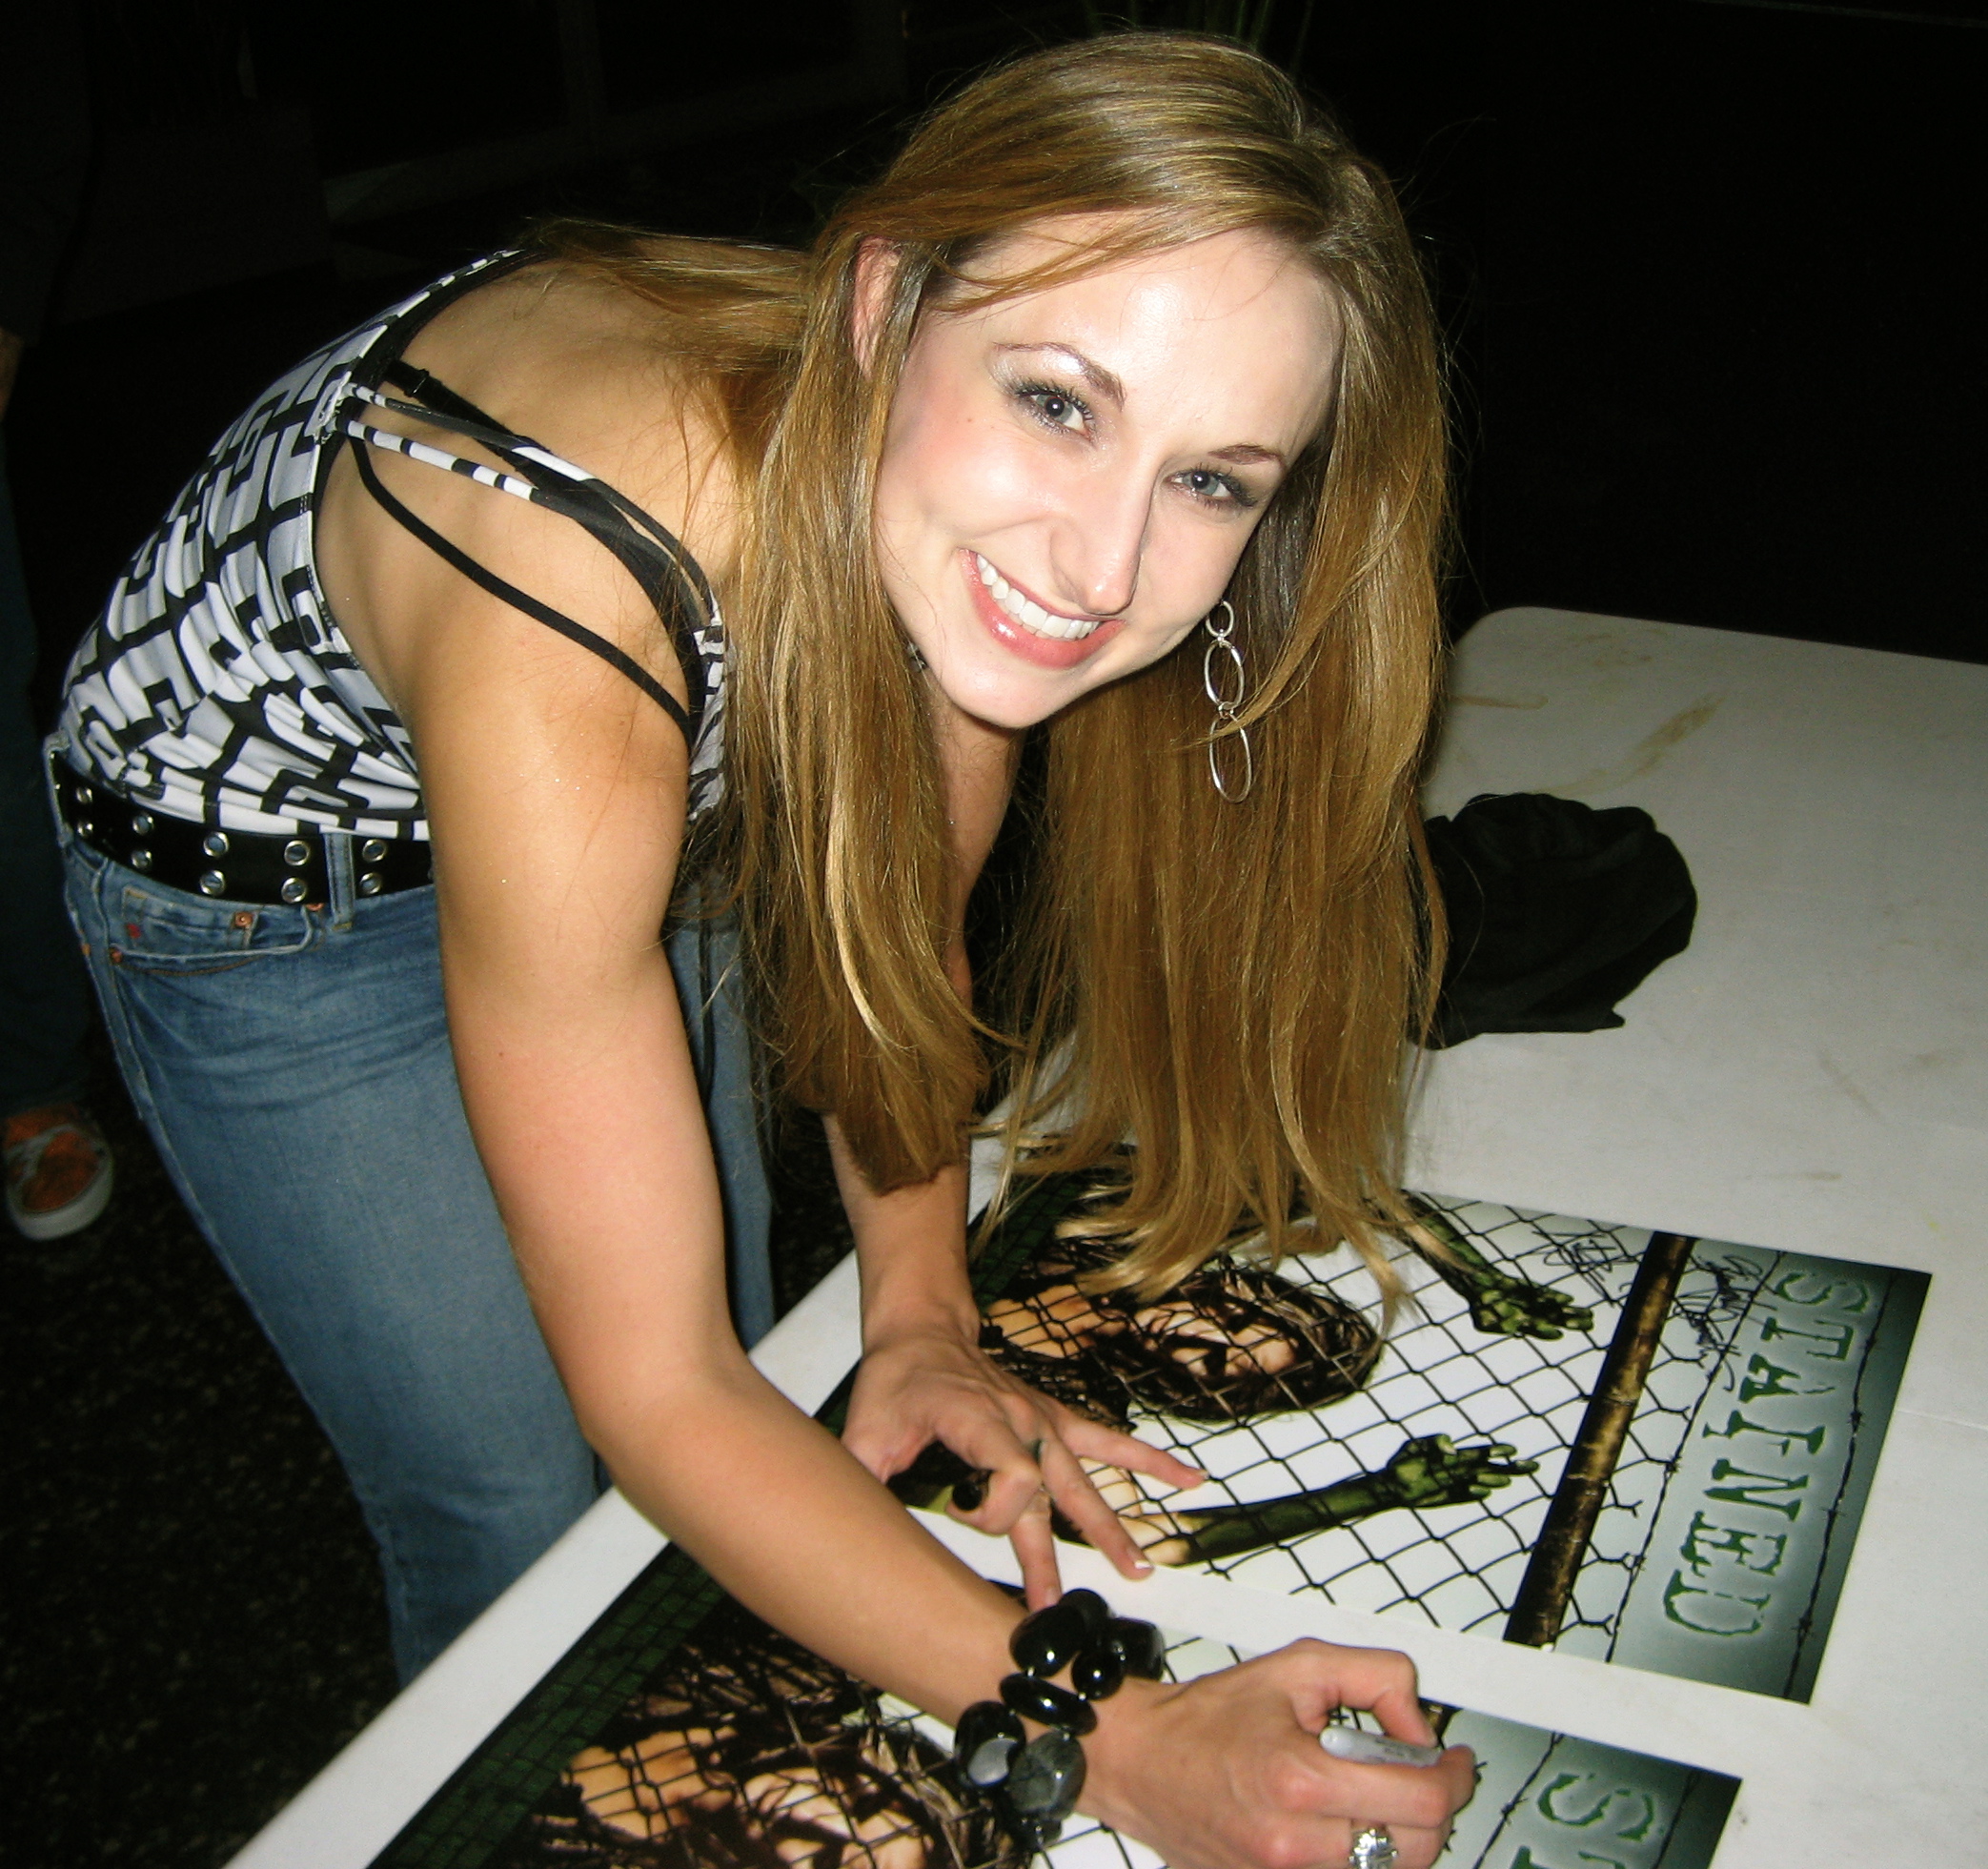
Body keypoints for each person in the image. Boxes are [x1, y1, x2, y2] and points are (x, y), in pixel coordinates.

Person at [52, 34, 1474, 1868]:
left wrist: (920, 1311)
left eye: (1214, 479)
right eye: (1059, 401)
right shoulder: (578, 571)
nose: (1107, 563)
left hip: (646, 756)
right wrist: (1106, 1732)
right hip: (276, 895)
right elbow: (655, 1389)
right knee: (522, 1492)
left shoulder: (950, 538)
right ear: (885, 304)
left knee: (726, 1329)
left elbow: (896, 946)